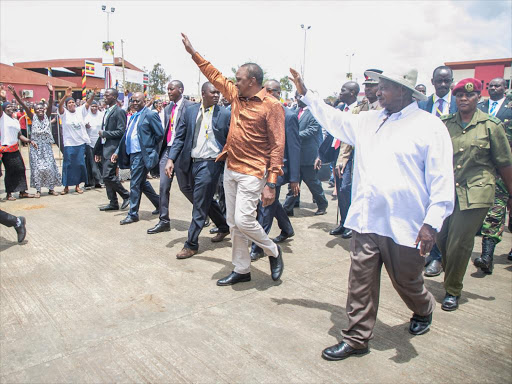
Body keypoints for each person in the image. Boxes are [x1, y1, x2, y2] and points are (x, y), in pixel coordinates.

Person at [289, 67, 454, 361]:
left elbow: (442, 179)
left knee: (407, 282)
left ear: (404, 92)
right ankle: (356, 338)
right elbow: (334, 118)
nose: (379, 91)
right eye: (379, 86)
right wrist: (306, 93)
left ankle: (423, 307)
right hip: (367, 220)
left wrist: (431, 223)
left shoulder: (429, 126)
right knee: (359, 281)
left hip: (407, 225)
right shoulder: (368, 120)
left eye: (386, 87)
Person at [182, 33, 285, 285]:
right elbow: (214, 76)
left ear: (252, 80)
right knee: (234, 224)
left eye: (239, 79)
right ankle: (241, 269)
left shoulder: (272, 106)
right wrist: (193, 54)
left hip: (254, 171)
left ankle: (272, 250)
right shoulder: (236, 97)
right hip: (231, 167)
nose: (235, 82)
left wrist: (271, 182)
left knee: (243, 220)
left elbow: (277, 145)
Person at [437, 78, 512, 311]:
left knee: (459, 241)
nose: (463, 99)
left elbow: (505, 164)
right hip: (448, 190)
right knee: (442, 238)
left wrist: (511, 196)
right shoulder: (445, 124)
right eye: (459, 95)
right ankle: (452, 278)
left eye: (469, 95)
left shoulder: (491, 125)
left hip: (476, 192)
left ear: (478, 97)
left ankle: (452, 290)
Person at [163, 82, 230, 258]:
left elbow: (231, 139)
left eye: (218, 93)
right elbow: (179, 137)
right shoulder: (190, 111)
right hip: (191, 162)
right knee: (204, 198)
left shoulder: (224, 114)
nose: (217, 95)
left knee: (199, 204)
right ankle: (224, 226)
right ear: (203, 93)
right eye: (213, 92)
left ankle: (191, 244)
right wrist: (171, 159)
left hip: (211, 163)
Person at [250, 80, 300, 261]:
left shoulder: (289, 115)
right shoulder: (260, 111)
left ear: (279, 93)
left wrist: (295, 178)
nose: (268, 94)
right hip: (259, 167)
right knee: (272, 204)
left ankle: (258, 247)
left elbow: (294, 147)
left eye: (272, 91)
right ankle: (287, 228)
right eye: (266, 90)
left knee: (265, 208)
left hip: (277, 170)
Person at [418, 65, 457, 277]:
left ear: (451, 81)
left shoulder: (459, 104)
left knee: (446, 215)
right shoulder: (423, 105)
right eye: (439, 81)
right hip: (428, 166)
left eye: (447, 81)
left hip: (454, 166)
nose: (443, 84)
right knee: (430, 211)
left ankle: (439, 258)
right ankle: (432, 254)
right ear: (432, 82)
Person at [473, 77, 512, 273]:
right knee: (495, 211)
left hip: (507, 166)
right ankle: (487, 256)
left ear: (505, 88)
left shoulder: (510, 106)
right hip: (484, 166)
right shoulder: (479, 106)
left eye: (498, 85)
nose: (494, 88)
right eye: (491, 85)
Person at [113, 92, 162, 225]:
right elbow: (127, 135)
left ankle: (133, 213)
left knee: (134, 183)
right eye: (132, 101)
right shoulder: (133, 116)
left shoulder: (151, 115)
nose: (134, 103)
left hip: (142, 154)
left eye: (137, 101)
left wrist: (150, 148)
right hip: (132, 154)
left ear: (144, 101)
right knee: (141, 183)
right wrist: (118, 151)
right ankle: (160, 204)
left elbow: (159, 134)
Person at [152, 80, 195, 232]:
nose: (169, 92)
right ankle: (164, 220)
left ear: (181, 90)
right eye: (167, 89)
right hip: (168, 150)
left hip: (183, 152)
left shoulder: (190, 106)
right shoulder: (168, 108)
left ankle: (203, 211)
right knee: (163, 186)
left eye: (172, 89)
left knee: (185, 187)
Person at [9, 83, 61, 197]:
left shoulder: (47, 115)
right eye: (37, 109)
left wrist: (51, 92)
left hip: (47, 146)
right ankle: (38, 190)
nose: (40, 110)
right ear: (35, 111)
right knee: (37, 169)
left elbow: (51, 103)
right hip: (36, 147)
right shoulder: (33, 117)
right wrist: (15, 95)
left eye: (41, 108)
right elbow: (23, 104)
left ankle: (51, 189)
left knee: (49, 168)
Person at [282, 92, 328, 216]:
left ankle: (322, 204)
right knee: (294, 181)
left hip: (308, 155)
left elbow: (312, 130)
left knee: (312, 182)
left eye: (300, 97)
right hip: (295, 155)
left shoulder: (314, 112)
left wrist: (293, 136)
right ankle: (289, 206)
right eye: (296, 96)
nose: (297, 99)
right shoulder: (295, 111)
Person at [327, 81, 360, 238]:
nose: (340, 92)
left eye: (343, 90)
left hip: (350, 156)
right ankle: (343, 222)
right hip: (336, 152)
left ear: (352, 93)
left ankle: (350, 225)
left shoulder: (360, 110)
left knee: (346, 189)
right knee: (340, 189)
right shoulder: (340, 109)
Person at [94, 88, 130, 211]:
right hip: (105, 148)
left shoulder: (119, 112)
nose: (104, 97)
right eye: (104, 95)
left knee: (108, 175)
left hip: (113, 149)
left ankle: (126, 195)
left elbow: (121, 132)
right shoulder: (107, 111)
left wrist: (105, 133)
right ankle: (113, 202)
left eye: (107, 95)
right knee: (105, 177)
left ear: (114, 97)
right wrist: (98, 150)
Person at [0, 89, 35, 200]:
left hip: (15, 149)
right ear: (3, 109)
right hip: (6, 150)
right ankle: (9, 194)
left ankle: (22, 192)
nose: (10, 108)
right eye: (7, 107)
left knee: (21, 169)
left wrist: (29, 141)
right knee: (10, 171)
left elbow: (19, 135)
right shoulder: (2, 118)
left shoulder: (15, 120)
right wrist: (3, 98)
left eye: (11, 106)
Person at [58, 87, 94, 195]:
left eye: (73, 102)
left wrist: (93, 94)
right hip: (69, 144)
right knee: (68, 165)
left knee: (79, 165)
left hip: (80, 144)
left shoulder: (80, 111)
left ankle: (78, 186)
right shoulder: (64, 114)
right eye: (69, 103)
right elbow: (60, 106)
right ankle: (66, 187)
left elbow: (88, 103)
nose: (71, 104)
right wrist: (65, 95)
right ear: (66, 105)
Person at [84, 100, 104, 189]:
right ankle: (91, 182)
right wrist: (85, 126)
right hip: (89, 142)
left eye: (95, 106)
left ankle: (100, 181)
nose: (94, 108)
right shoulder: (86, 116)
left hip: (99, 142)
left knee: (99, 162)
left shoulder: (101, 115)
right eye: (92, 106)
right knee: (91, 163)